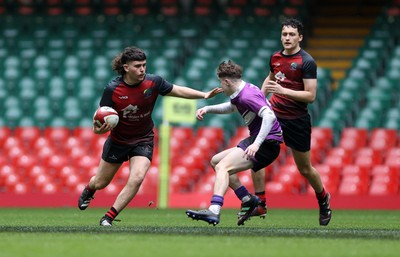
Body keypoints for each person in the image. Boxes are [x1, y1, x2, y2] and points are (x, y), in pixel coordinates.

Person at [78, 46, 222, 226]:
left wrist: (204, 95)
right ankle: (90, 189)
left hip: (143, 139)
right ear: (126, 67)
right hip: (118, 141)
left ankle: (108, 217)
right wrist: (99, 129)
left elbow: (178, 90)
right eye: (137, 66)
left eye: (144, 65)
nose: (142, 69)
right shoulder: (112, 89)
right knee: (101, 182)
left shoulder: (153, 82)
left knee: (137, 177)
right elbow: (99, 122)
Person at [246, 18, 332, 226]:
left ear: (300, 37)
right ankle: (261, 203)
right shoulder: (275, 57)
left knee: (304, 168)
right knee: (254, 155)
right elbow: (269, 79)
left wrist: (284, 91)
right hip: (273, 116)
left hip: (297, 121)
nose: (287, 38)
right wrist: (257, 99)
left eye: (292, 34)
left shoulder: (307, 62)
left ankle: (323, 199)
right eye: (284, 34)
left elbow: (310, 96)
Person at [186, 60, 283, 226]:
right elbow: (232, 107)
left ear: (226, 81)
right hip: (262, 139)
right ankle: (247, 199)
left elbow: (269, 116)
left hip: (267, 143)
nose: (221, 87)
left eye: (221, 83)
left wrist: (256, 144)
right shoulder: (243, 90)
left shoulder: (247, 95)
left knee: (223, 167)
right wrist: (207, 109)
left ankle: (214, 210)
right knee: (216, 161)